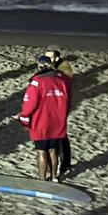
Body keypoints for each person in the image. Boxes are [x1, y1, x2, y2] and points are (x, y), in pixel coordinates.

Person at [17, 54, 72, 182]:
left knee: (41, 151)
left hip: (41, 120)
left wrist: (24, 117)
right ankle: (54, 176)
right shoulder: (62, 80)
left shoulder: (37, 82)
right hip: (58, 120)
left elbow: (30, 103)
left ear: (39, 65)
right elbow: (68, 102)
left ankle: (42, 179)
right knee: (53, 149)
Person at [44, 48, 75, 178]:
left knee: (60, 137)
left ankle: (64, 163)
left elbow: (64, 82)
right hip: (55, 104)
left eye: (49, 57)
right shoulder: (52, 68)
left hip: (59, 105)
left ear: (56, 57)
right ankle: (62, 163)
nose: (47, 59)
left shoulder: (63, 68)